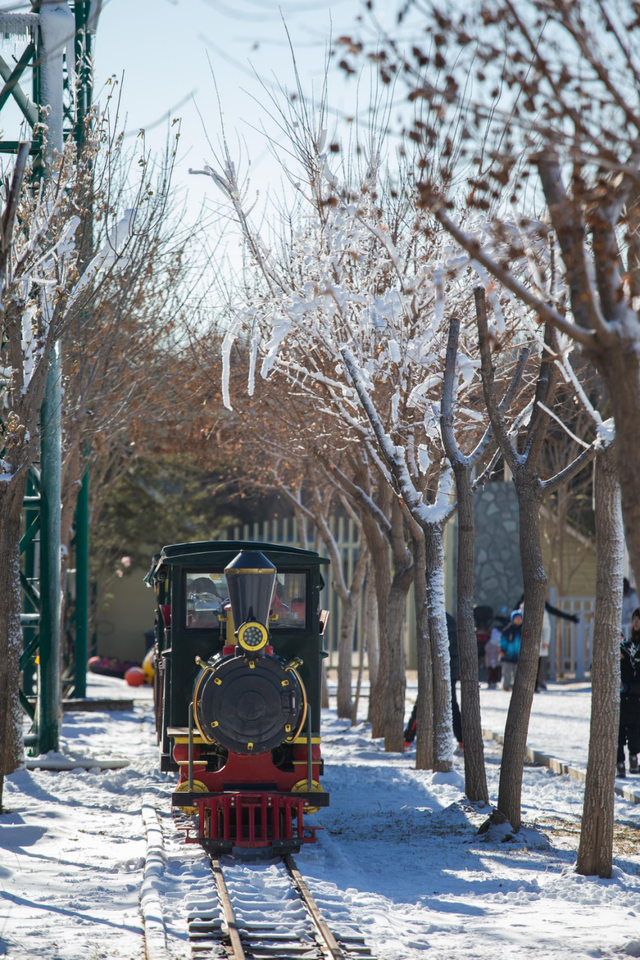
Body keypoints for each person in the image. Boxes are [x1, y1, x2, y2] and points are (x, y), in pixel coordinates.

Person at [404, 612, 462, 752]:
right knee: (452, 705)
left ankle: (407, 739)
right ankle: (462, 739)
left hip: (440, 670)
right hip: (449, 670)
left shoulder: (438, 620)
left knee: (423, 703)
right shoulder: (448, 620)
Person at [618, 608, 640, 778]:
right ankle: (620, 763)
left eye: (639, 619)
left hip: (636, 698)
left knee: (634, 731)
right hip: (622, 698)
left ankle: (634, 759)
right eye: (634, 619)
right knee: (619, 732)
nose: (636, 623)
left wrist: (629, 688)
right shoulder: (626, 645)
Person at [500, 611, 522, 691]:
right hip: (507, 654)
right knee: (507, 671)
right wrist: (502, 650)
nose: (518, 620)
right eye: (517, 618)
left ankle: (515, 686)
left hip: (518, 655)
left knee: (517, 672)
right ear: (513, 619)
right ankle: (506, 685)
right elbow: (503, 641)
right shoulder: (507, 630)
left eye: (520, 618)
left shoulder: (523, 630)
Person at [485, 621, 503, 689]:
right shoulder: (490, 644)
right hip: (490, 661)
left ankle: (494, 682)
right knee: (491, 672)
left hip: (494, 661)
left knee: (494, 672)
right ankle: (491, 682)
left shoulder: (496, 645)